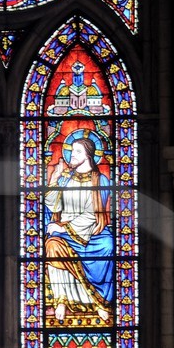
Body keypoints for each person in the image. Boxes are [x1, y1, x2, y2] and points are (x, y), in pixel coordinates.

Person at [44, 130, 114, 324]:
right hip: (66, 232)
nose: (72, 155)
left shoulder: (101, 181)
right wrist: (54, 180)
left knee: (109, 245)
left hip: (92, 232)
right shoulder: (66, 179)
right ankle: (62, 300)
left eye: (77, 152)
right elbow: (54, 205)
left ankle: (98, 302)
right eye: (72, 151)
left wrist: (64, 229)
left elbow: (93, 215)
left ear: (88, 156)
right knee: (51, 246)